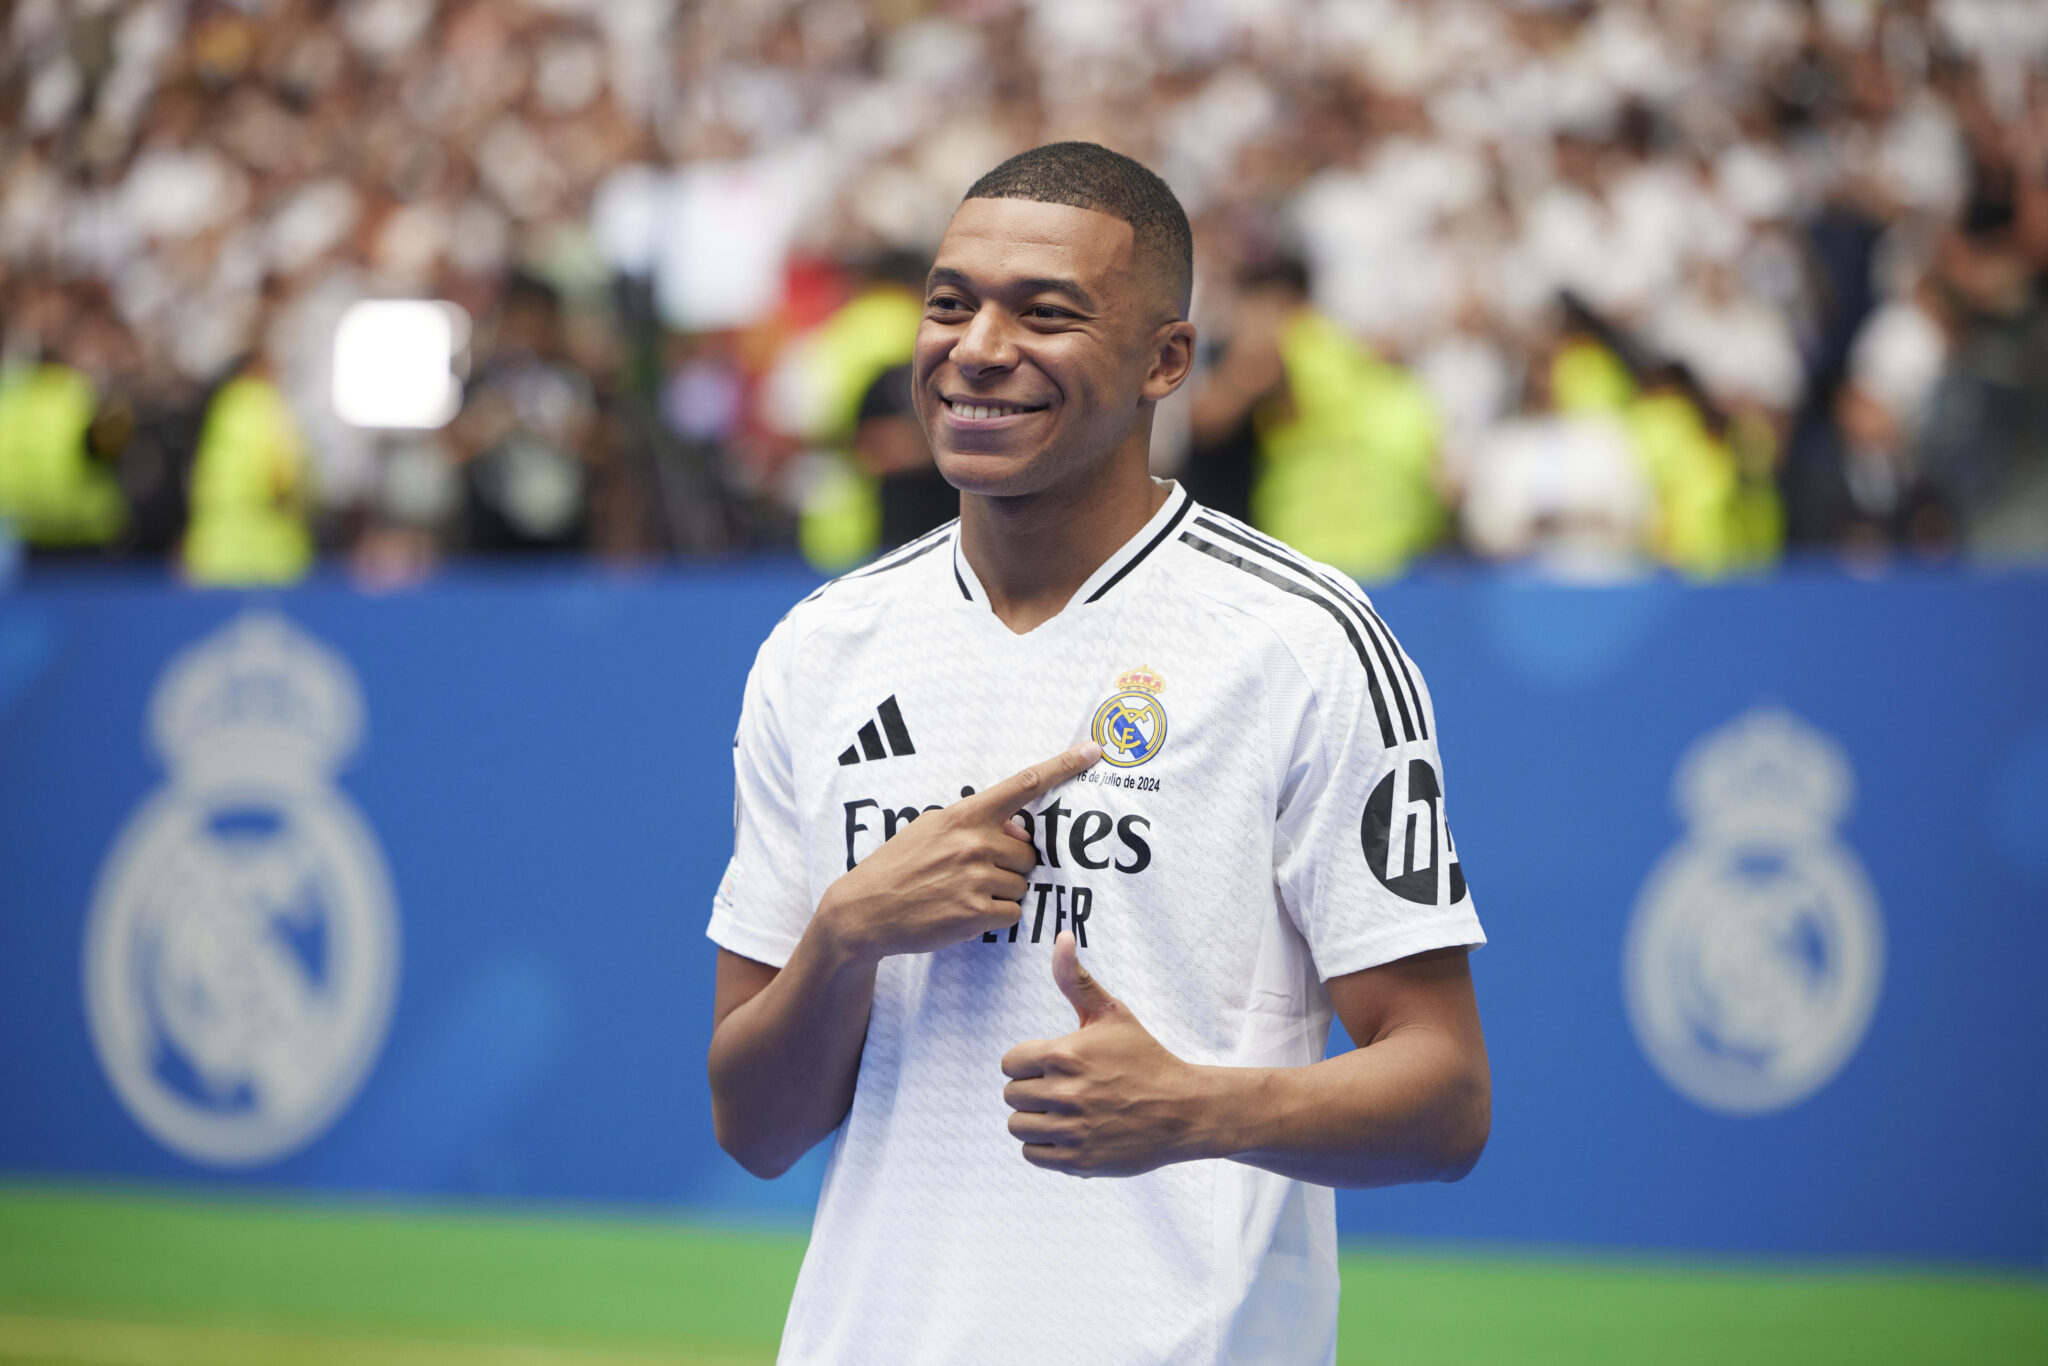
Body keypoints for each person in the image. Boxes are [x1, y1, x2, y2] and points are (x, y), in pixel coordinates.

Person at [705, 142, 1489, 1366]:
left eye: (1044, 313)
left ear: (1164, 360)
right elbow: (752, 1126)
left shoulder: (1298, 642)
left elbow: (1444, 1101)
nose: (974, 347)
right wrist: (845, 931)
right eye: (949, 301)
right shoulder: (823, 648)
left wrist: (1194, 1106)